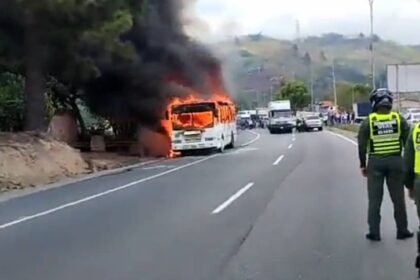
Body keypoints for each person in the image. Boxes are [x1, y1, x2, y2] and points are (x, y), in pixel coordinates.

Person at [357, 88, 413, 242]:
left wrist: (363, 164)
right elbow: (408, 144)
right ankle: (402, 230)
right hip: (396, 162)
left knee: (375, 199)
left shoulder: (369, 121)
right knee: (398, 199)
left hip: (375, 163)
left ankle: (374, 232)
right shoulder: (398, 119)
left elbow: (361, 145)